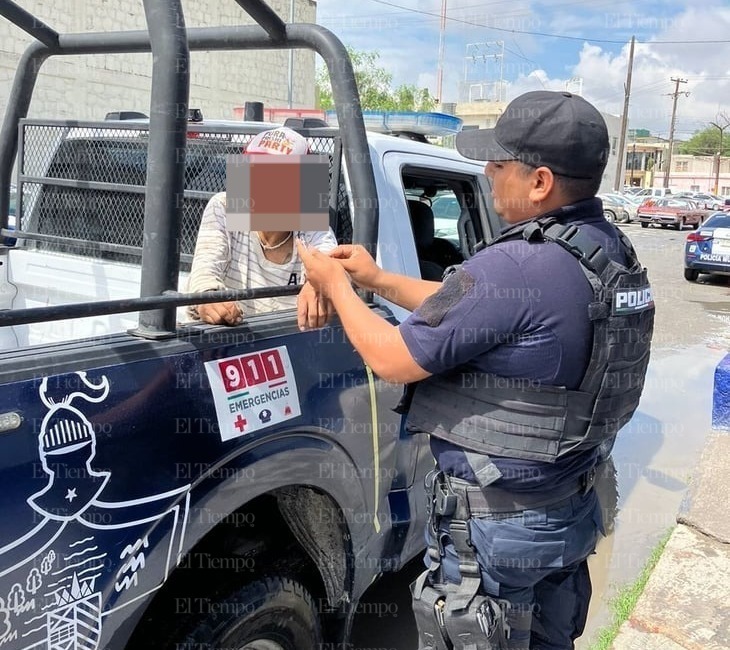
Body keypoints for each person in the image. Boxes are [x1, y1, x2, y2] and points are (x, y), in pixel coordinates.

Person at [296, 90, 654, 649]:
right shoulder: (606, 251)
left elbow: (392, 358)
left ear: (539, 182)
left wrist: (336, 285)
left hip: (497, 528)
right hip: (568, 507)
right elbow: (471, 308)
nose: (486, 173)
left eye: (498, 163)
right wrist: (378, 280)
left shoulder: (516, 262)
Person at [187, 126, 337, 330]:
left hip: (287, 340)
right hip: (227, 340)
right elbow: (205, 271)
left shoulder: (310, 222)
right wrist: (208, 299)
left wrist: (319, 284)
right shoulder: (225, 206)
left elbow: (329, 262)